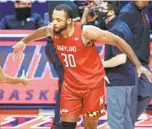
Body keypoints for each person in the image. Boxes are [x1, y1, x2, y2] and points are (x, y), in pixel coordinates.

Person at [12, 4, 152, 129]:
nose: (54, 23)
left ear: (69, 21)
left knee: (90, 126)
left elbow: (118, 41)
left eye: (58, 20)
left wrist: (138, 65)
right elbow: (41, 31)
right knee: (66, 125)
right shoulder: (53, 30)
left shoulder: (87, 32)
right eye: (53, 19)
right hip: (71, 86)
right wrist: (23, 42)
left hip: (92, 86)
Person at [97, 1, 134, 129]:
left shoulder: (116, 30)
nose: (98, 10)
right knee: (125, 119)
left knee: (116, 121)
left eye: (102, 8)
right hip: (127, 79)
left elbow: (121, 58)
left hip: (118, 79)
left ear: (111, 12)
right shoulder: (122, 25)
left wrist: (100, 64)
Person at [117, 1, 152, 126]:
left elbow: (144, 36)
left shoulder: (144, 11)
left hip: (143, 62)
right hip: (131, 64)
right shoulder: (127, 13)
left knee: (147, 93)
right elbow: (119, 38)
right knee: (131, 104)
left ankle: (126, 123)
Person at [47, 1, 80, 129]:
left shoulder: (58, 3)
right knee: (67, 85)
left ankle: (63, 120)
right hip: (59, 46)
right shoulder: (67, 4)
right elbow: (76, 24)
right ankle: (60, 122)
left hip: (55, 46)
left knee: (66, 84)